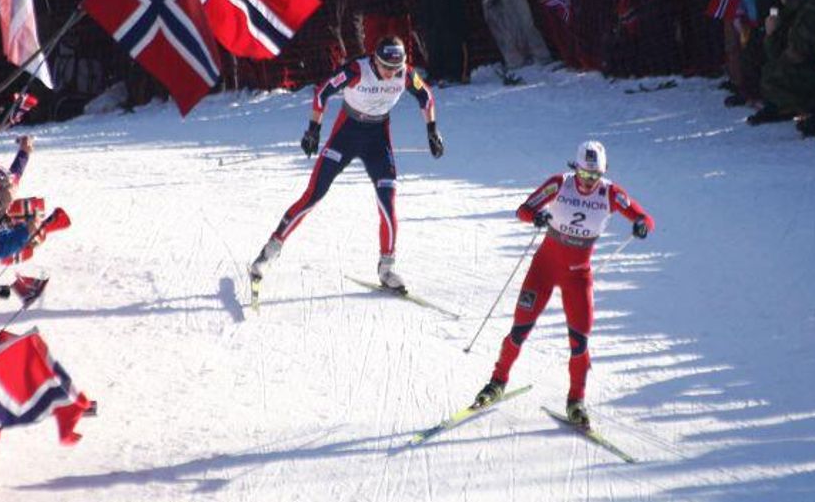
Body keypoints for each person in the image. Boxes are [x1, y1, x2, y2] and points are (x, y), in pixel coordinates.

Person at [472, 140, 654, 427]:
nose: (589, 182)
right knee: (519, 330)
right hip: (543, 269)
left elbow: (644, 216)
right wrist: (537, 216)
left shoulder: (611, 193)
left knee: (579, 342)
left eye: (595, 176)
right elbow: (523, 210)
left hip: (577, 277)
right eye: (584, 175)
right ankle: (496, 382)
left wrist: (641, 223)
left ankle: (576, 401)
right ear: (576, 168)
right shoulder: (559, 184)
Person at [249, 36, 443, 291]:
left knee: (388, 200)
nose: (391, 74)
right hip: (346, 135)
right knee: (314, 194)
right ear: (375, 60)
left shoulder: (403, 74)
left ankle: (387, 268)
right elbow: (323, 92)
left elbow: (426, 96)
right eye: (386, 68)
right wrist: (313, 130)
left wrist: (432, 131)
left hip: (377, 139)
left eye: (396, 69)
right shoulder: (357, 69)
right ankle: (269, 252)